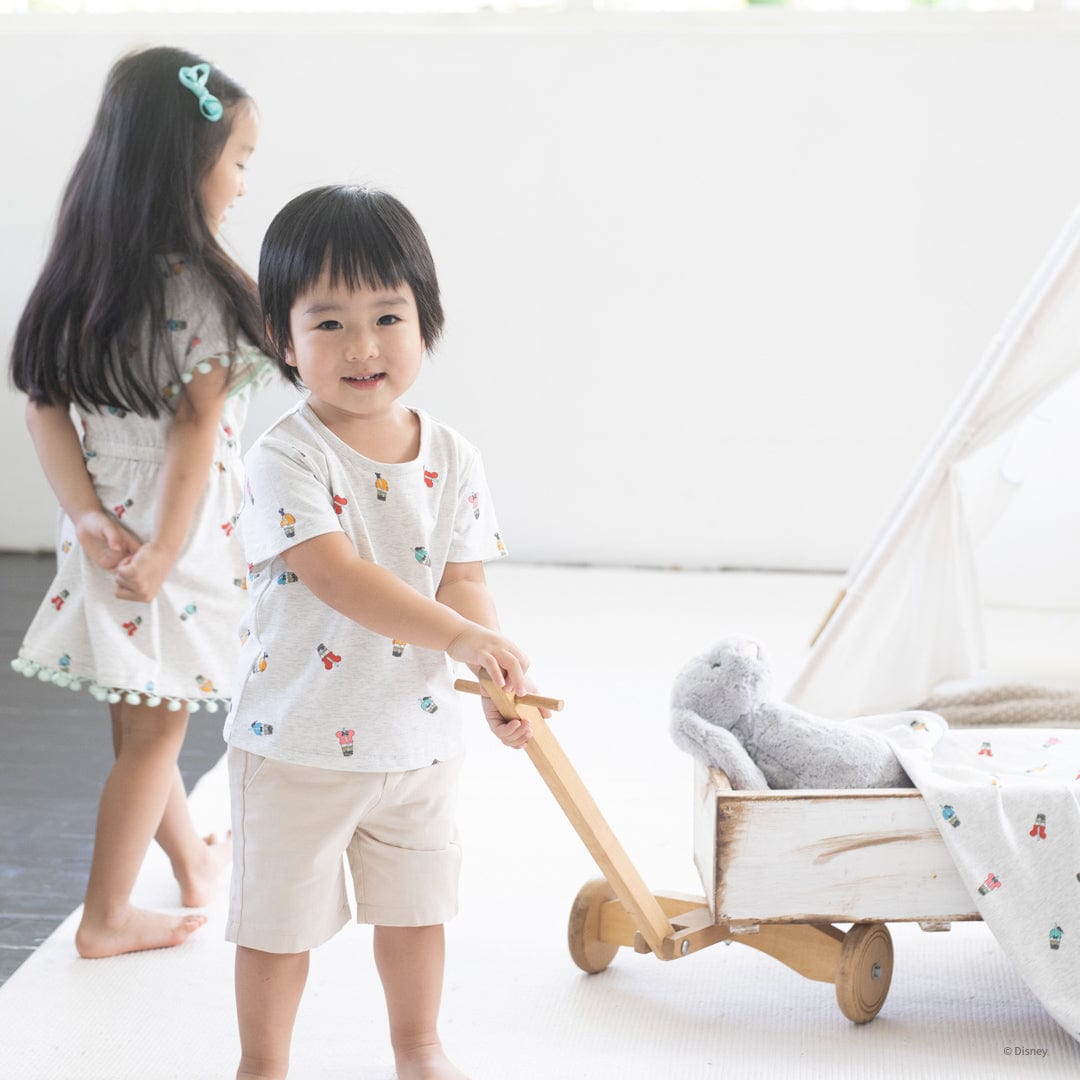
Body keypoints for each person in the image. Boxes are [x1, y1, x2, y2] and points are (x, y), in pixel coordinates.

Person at [225, 184, 539, 1080]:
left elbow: (463, 578)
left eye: (387, 316)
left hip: (417, 740)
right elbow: (337, 576)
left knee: (416, 908)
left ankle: (418, 1045)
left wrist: (492, 675)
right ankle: (263, 1062)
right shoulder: (285, 456)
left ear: (425, 322)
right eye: (327, 324)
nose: (362, 347)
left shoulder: (453, 456)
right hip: (298, 742)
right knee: (280, 924)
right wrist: (459, 638)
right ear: (284, 340)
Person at [9, 45, 272, 958]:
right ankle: (108, 916)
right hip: (174, 525)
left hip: (104, 520)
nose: (243, 180)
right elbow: (196, 431)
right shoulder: (195, 287)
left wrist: (87, 516)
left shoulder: (81, 273)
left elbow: (44, 406)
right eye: (238, 160)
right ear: (185, 164)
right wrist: (163, 548)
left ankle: (195, 863)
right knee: (155, 734)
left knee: (141, 711)